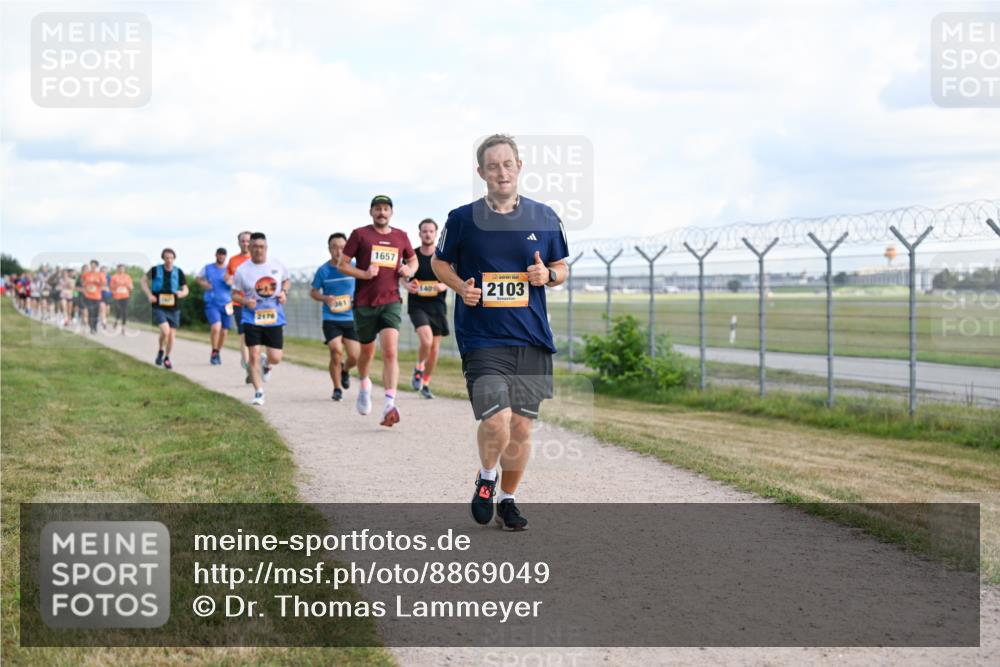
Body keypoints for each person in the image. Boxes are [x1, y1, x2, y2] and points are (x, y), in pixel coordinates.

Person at [432, 134, 569, 531]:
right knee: (497, 420)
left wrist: (548, 275)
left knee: (522, 427)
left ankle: (508, 499)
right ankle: (487, 477)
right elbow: (440, 264)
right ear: (481, 172)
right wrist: (461, 288)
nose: (501, 172)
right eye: (493, 166)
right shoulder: (462, 219)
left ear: (519, 166)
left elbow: (561, 267)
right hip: (482, 338)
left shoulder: (545, 217)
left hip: (531, 337)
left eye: (507, 164)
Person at [340, 195, 417, 426]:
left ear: (391, 212)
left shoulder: (401, 236)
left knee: (390, 351)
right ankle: (364, 383)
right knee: (367, 353)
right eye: (377, 209)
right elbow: (342, 264)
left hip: (391, 300)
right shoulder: (360, 234)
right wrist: (364, 274)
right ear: (371, 212)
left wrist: (408, 270)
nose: (382, 213)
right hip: (364, 303)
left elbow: (413, 261)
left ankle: (389, 404)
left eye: (385, 209)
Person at [232, 232, 290, 406]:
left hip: (273, 317)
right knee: (253, 355)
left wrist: (284, 292)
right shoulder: (242, 270)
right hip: (252, 318)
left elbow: (287, 280)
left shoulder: (277, 265)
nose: (258, 250)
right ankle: (258, 391)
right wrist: (245, 301)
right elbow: (234, 294)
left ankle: (267, 363)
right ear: (249, 248)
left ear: (267, 248)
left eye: (262, 247)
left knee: (276, 357)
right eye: (255, 247)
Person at [310, 233, 360, 401]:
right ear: (329, 249)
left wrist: (357, 299)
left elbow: (365, 285)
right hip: (331, 318)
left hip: (351, 318)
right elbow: (313, 292)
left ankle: (345, 370)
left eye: (342, 248)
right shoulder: (323, 270)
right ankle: (337, 388)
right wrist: (325, 298)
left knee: (354, 357)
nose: (338, 251)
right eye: (334, 247)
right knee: (336, 351)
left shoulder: (354, 267)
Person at [404, 218, 450, 399]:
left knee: (435, 349)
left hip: (437, 306)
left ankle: (425, 383)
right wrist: (407, 285)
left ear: (436, 233)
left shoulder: (442, 256)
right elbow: (402, 276)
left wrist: (443, 285)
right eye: (424, 231)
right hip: (418, 306)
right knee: (426, 341)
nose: (428, 234)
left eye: (431, 231)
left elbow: (452, 276)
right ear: (419, 233)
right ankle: (419, 367)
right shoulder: (412, 256)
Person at [140, 248, 189, 369]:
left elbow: (186, 289)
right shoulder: (155, 270)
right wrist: (149, 295)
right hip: (159, 305)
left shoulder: (178, 272)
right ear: (163, 258)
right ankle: (161, 349)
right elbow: (143, 281)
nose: (169, 260)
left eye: (171, 258)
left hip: (174, 307)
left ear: (174, 258)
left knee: (171, 336)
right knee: (166, 331)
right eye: (167, 258)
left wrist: (182, 293)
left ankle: (166, 357)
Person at [197, 248, 233, 365]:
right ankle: (214, 350)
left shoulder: (230, 270)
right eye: (220, 255)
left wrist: (230, 282)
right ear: (216, 255)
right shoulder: (208, 268)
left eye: (223, 255)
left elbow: (236, 283)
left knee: (224, 332)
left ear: (226, 256)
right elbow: (198, 278)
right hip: (212, 302)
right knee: (216, 327)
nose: (221, 257)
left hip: (227, 304)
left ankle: (217, 352)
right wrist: (204, 284)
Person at [226, 231, 254, 382]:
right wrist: (230, 280)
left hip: (257, 303)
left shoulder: (258, 259)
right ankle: (249, 367)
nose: (245, 244)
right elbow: (228, 276)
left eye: (248, 241)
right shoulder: (233, 260)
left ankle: (256, 361)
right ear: (238, 243)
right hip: (239, 303)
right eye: (242, 241)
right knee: (244, 335)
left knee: (257, 335)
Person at [80, 260, 107, 334]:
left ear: (96, 266)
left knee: (95, 313)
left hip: (97, 296)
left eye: (94, 265)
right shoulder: (86, 274)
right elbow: (82, 283)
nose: (92, 266)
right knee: (90, 311)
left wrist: (99, 282)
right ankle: (91, 327)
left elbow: (104, 283)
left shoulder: (100, 274)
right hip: (88, 295)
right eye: (91, 265)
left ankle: (94, 326)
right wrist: (85, 284)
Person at [109, 264, 134, 334]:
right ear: (117, 269)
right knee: (118, 310)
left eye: (122, 269)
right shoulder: (114, 277)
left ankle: (123, 327)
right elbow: (111, 287)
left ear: (124, 269)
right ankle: (116, 321)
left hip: (125, 296)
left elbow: (131, 286)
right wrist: (118, 285)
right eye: (120, 269)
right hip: (117, 296)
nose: (121, 270)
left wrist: (130, 287)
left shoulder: (127, 277)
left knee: (125, 311)